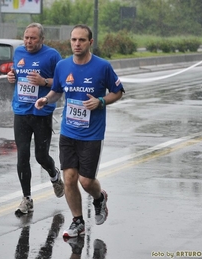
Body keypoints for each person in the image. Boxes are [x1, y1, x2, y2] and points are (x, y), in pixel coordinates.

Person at [35, 24, 125, 237]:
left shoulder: (102, 66)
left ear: (90, 42)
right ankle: (77, 221)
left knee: (86, 181)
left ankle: (99, 198)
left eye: (82, 40)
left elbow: (118, 92)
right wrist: (46, 99)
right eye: (74, 40)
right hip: (68, 132)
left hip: (92, 134)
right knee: (69, 178)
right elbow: (57, 90)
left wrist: (101, 101)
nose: (77, 44)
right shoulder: (63, 66)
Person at [7, 22, 64, 215]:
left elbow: (62, 82)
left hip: (42, 112)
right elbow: (17, 73)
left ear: (41, 39)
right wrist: (12, 76)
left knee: (41, 156)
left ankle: (54, 175)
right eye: (26, 37)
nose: (29, 41)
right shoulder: (19, 53)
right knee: (22, 155)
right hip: (21, 112)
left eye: (33, 38)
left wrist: (44, 82)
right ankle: (27, 198)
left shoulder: (52, 56)